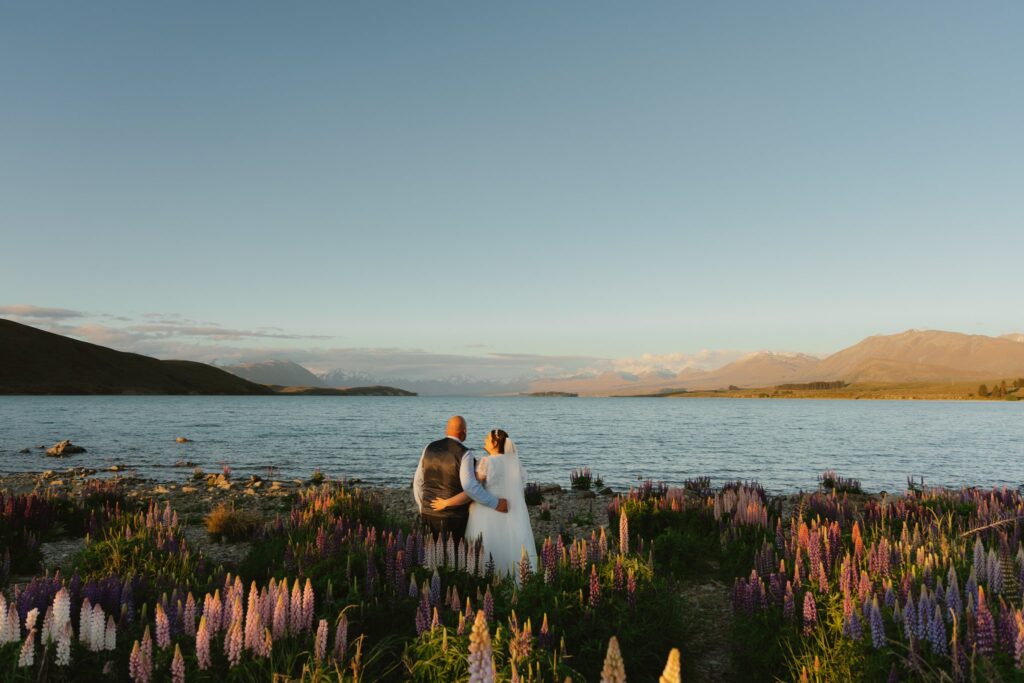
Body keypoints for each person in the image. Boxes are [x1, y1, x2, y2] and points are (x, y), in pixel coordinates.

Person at [430, 428, 537, 579]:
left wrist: (446, 503)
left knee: (486, 547)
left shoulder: (486, 462)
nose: (484, 440)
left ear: (494, 443)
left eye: (487, 438)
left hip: (486, 512)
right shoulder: (514, 464)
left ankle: (485, 582)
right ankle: (513, 579)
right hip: (508, 513)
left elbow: (472, 490)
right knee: (508, 545)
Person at [413, 415, 508, 542]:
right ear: (464, 432)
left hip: (428, 512)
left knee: (431, 555)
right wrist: (495, 503)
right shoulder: (464, 453)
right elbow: (470, 486)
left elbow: (418, 481)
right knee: (454, 556)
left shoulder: (429, 447)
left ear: (447, 430)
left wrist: (422, 506)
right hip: (453, 516)